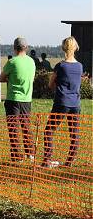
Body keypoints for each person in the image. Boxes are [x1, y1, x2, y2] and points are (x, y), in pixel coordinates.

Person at [42, 37, 83, 168]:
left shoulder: (61, 65)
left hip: (61, 102)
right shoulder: (80, 66)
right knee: (74, 133)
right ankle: (69, 162)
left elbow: (50, 84)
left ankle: (47, 160)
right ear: (75, 48)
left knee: (49, 131)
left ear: (63, 48)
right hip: (75, 104)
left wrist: (57, 88)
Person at [0, 37, 36, 162]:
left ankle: (17, 156)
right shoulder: (31, 62)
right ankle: (30, 153)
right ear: (26, 48)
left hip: (13, 99)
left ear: (15, 48)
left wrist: (9, 79)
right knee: (26, 126)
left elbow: (1, 77)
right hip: (27, 99)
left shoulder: (12, 62)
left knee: (13, 127)